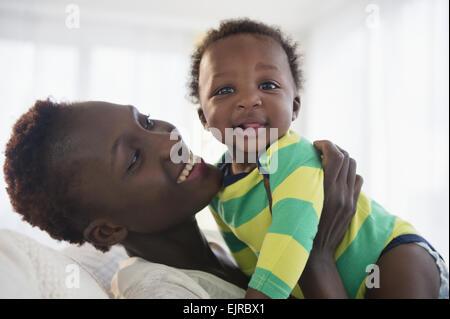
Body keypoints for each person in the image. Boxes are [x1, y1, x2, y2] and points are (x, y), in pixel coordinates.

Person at [3, 99, 447, 298]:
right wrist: (317, 257)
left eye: (149, 120)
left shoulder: (224, 242)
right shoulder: (160, 292)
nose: (168, 141)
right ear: (108, 229)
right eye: (134, 159)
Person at [191, 19, 448, 298]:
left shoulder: (291, 155)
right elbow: (252, 260)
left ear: (295, 106)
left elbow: (292, 234)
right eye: (225, 90)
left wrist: (260, 298)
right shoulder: (218, 185)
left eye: (267, 84)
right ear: (204, 117)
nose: (250, 99)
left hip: (389, 255)